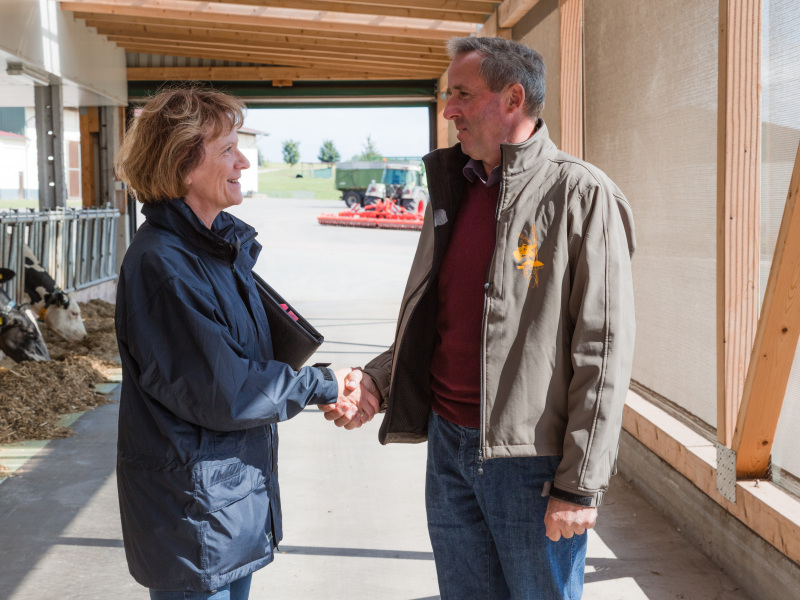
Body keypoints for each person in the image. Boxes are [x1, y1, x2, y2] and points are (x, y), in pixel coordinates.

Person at [322, 36, 636, 599]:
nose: (449, 110)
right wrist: (378, 379)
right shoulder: (459, 186)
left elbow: (604, 349)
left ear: (513, 99)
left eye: (462, 94)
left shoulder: (581, 194)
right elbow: (443, 321)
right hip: (449, 445)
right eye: (449, 96)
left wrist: (580, 486)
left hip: (530, 464)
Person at [113, 87, 378, 599]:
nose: (244, 162)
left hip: (223, 502)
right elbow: (225, 389)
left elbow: (244, 361)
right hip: (193, 514)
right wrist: (324, 384)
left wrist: (318, 382)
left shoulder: (214, 249)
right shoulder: (163, 264)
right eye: (228, 149)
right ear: (184, 163)